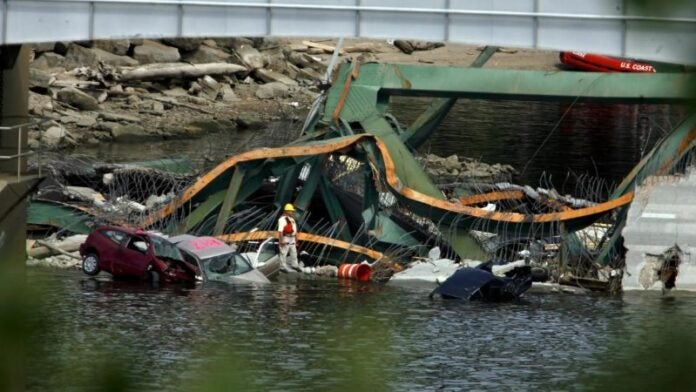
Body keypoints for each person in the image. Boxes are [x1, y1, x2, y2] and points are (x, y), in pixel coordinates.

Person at [278, 203, 300, 272]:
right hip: (286, 237)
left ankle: (295, 265)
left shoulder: (292, 219)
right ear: (287, 211)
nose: (292, 212)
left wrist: (296, 240)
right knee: (284, 252)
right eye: (291, 211)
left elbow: (295, 231)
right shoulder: (282, 219)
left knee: (294, 252)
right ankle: (282, 267)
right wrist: (281, 240)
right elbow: (280, 231)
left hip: (292, 238)